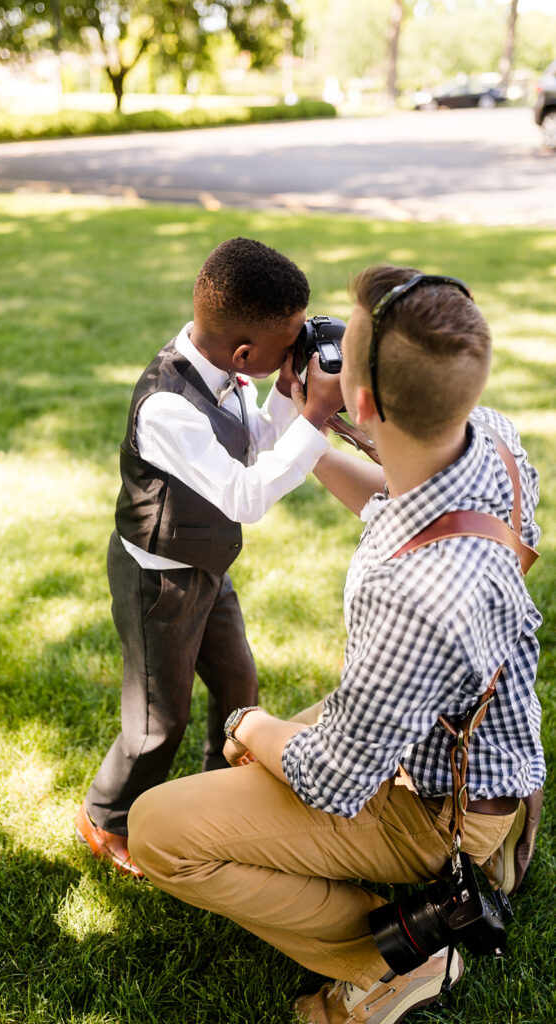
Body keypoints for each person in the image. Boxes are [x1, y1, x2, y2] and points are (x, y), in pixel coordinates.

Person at [127, 264, 545, 1023]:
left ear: (357, 400)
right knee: (275, 749)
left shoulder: (409, 595)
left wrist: (250, 725)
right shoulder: (495, 441)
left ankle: (396, 956)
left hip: (430, 800)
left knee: (159, 827)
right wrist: (308, 433)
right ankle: (503, 835)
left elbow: (333, 780)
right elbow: (400, 495)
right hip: (480, 743)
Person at [75, 237, 342, 876]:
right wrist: (321, 414)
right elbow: (246, 494)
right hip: (158, 582)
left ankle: (209, 802)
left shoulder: (232, 372)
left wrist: (288, 395)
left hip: (206, 569)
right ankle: (105, 816)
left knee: (237, 689)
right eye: (289, 344)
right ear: (245, 351)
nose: (297, 349)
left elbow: (256, 449)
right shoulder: (168, 404)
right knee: (156, 720)